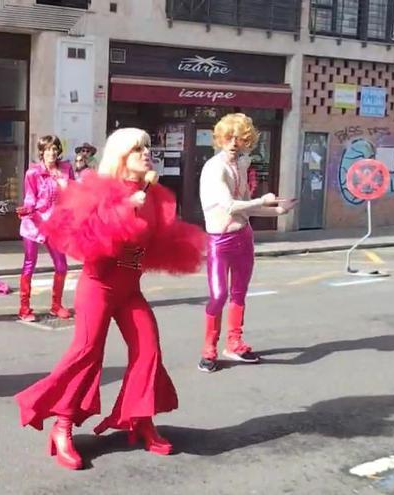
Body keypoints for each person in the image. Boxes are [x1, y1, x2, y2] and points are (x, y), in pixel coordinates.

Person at [15, 128, 205, 470]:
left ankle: (141, 420)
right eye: (137, 149)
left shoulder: (156, 195)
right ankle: (62, 427)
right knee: (87, 353)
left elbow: (156, 242)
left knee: (149, 349)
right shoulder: (102, 189)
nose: (146, 153)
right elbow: (85, 236)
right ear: (121, 156)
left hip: (130, 288)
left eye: (147, 147)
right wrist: (124, 208)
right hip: (98, 284)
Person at [197, 113, 297, 373]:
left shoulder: (239, 166)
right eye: (228, 138)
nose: (233, 143)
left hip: (243, 236)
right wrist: (265, 201)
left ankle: (234, 342)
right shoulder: (214, 168)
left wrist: (276, 211)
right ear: (220, 138)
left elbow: (244, 210)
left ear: (246, 141)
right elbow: (230, 205)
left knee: (239, 293)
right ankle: (209, 347)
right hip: (219, 239)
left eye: (239, 138)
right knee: (219, 294)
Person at [15, 135, 75, 322]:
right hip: (34, 223)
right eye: (48, 149)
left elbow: (74, 193)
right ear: (41, 152)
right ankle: (24, 308)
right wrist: (28, 209)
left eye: (55, 149)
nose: (52, 153)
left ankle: (56, 306)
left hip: (55, 225)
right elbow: (30, 196)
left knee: (62, 266)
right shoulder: (32, 173)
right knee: (29, 264)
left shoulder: (66, 170)